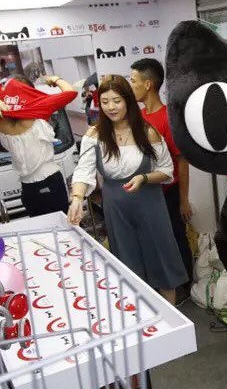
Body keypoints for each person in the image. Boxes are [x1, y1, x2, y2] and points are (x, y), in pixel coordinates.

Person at [67, 74, 187, 303]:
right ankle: (141, 324)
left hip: (150, 207)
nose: (111, 107)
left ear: (128, 101)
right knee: (128, 267)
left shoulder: (147, 131)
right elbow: (84, 171)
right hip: (117, 210)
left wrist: (143, 178)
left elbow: (167, 170)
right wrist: (76, 198)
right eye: (105, 102)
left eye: (117, 100)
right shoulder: (94, 135)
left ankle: (170, 323)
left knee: (161, 264)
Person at [0, 62, 77, 217]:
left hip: (27, 188)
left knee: (38, 232)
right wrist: (55, 79)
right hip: (50, 180)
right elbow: (70, 92)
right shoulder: (38, 108)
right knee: (62, 228)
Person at [130, 58, 193, 302]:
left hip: (170, 192)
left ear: (148, 84)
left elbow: (181, 161)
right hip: (149, 193)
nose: (131, 85)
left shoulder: (167, 118)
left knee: (176, 239)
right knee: (157, 242)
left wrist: (184, 201)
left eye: (133, 81)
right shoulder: (140, 117)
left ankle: (184, 287)